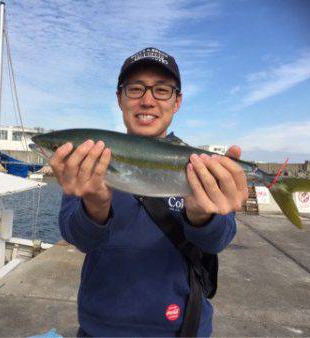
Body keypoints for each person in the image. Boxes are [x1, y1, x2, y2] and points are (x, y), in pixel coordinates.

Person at [50, 47, 248, 336]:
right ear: (119, 98)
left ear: (177, 101)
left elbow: (218, 240)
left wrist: (201, 216)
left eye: (162, 90)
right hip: (99, 329)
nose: (147, 100)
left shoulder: (200, 165)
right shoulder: (90, 160)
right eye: (135, 89)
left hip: (183, 328)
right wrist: (95, 205)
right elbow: (78, 238)